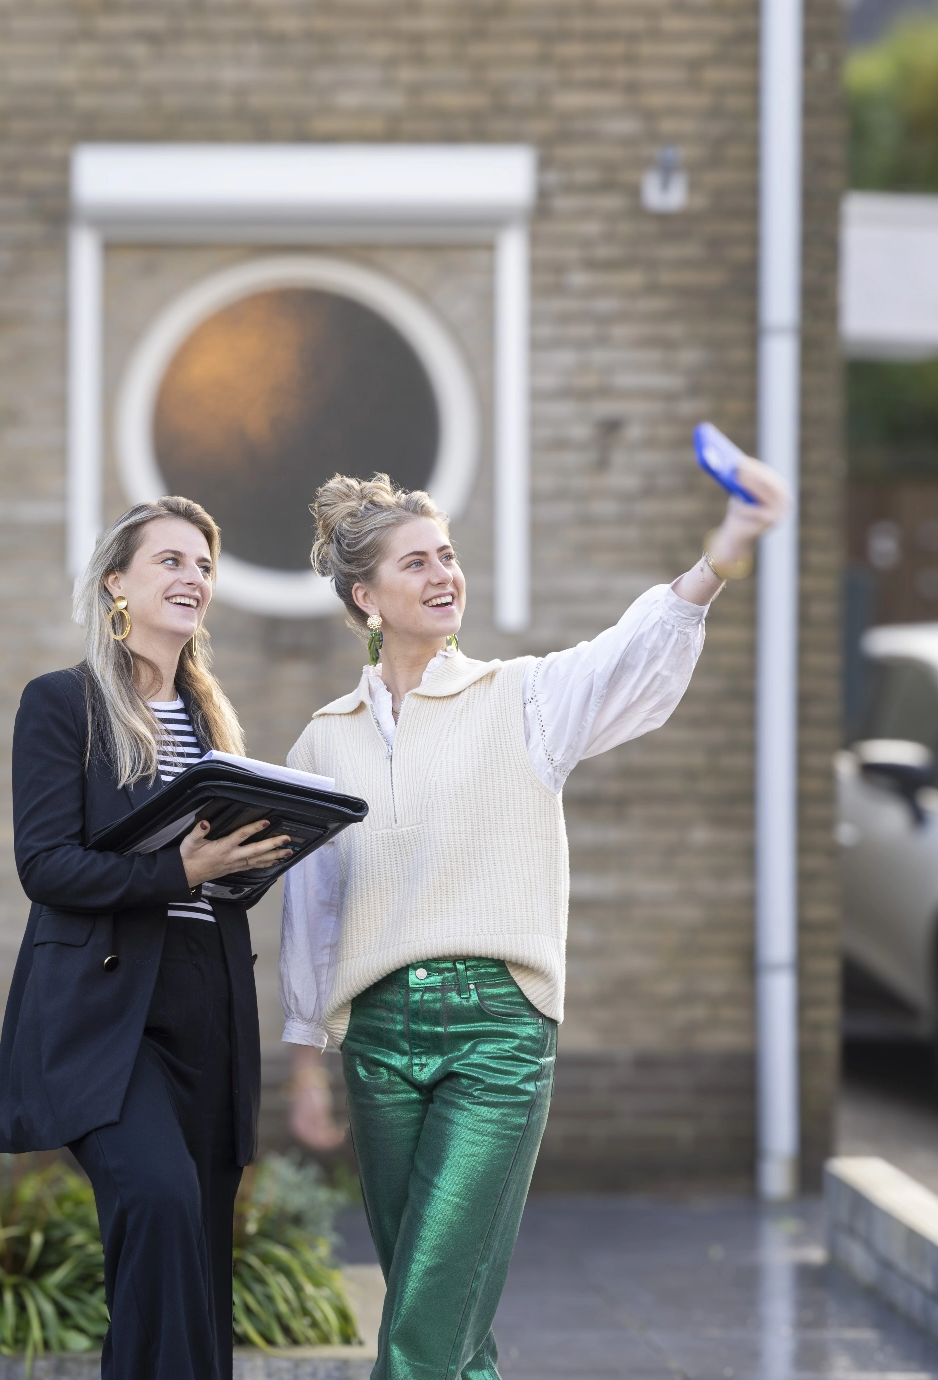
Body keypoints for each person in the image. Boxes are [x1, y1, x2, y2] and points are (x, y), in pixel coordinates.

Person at [279, 462, 790, 1379]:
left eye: (448, 555)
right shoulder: (324, 740)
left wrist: (725, 554)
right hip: (377, 1042)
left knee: (418, 1333)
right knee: (443, 1319)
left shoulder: (524, 699)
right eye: (416, 564)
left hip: (496, 1033)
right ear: (366, 598)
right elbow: (314, 917)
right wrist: (306, 1066)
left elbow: (635, 648)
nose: (445, 575)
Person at [0, 496, 292, 1380]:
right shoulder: (63, 705)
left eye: (204, 564)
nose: (193, 576)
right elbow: (45, 866)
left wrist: (259, 857)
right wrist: (181, 875)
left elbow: (214, 874)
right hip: (106, 1010)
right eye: (171, 560)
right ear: (116, 581)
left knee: (193, 1240)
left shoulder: (212, 725)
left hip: (208, 999)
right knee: (157, 1200)